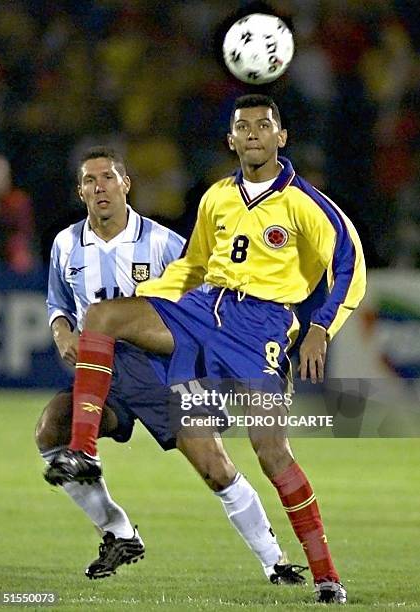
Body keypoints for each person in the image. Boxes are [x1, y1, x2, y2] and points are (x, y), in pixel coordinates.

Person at [46, 95, 366, 604]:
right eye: (244, 127)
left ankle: (327, 575)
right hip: (203, 310)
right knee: (103, 316)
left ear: (280, 138)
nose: (254, 133)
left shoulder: (306, 203)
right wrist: (148, 299)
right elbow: (194, 265)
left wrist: (320, 327)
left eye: (265, 126)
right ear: (231, 140)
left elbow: (350, 266)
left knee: (272, 453)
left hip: (260, 327)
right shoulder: (217, 196)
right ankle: (82, 451)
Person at [38, 145, 307, 586]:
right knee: (51, 428)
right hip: (104, 373)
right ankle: (117, 531)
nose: (99, 186)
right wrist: (62, 331)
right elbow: (58, 303)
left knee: (215, 468)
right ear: (80, 191)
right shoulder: (66, 244)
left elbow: (208, 298)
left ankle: (274, 562)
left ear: (126, 184)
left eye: (108, 177)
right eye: (90, 180)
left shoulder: (163, 242)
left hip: (164, 371)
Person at [0, 153, 37, 274]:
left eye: (2, 174)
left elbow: (21, 232)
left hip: (12, 261)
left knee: (20, 253)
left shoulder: (18, 201)